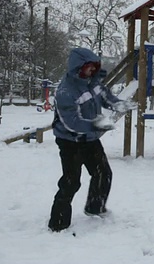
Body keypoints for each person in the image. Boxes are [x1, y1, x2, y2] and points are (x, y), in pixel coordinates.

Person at [48, 48, 136, 232]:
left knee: (103, 173)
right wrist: (95, 125)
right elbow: (71, 122)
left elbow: (106, 97)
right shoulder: (66, 91)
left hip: (89, 139)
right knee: (71, 182)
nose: (92, 71)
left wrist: (118, 104)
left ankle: (95, 207)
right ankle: (58, 223)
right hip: (69, 141)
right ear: (78, 68)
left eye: (94, 68)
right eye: (89, 68)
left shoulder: (93, 83)